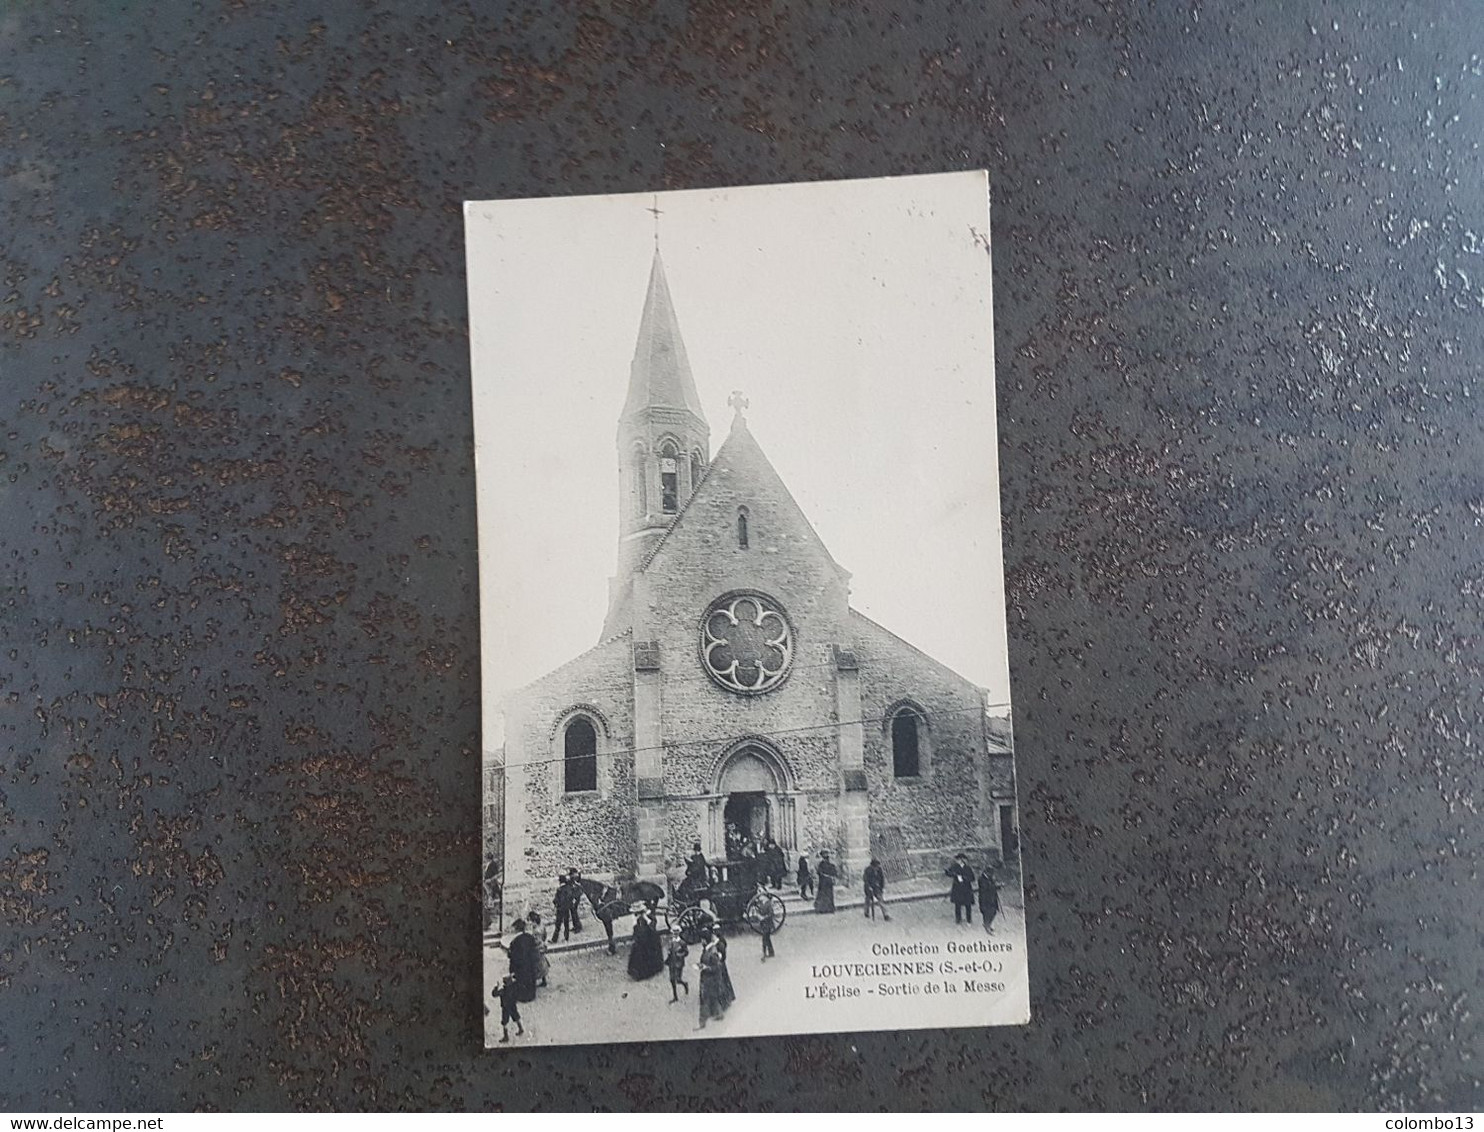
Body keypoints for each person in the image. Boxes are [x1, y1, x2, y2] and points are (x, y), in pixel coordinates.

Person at [696, 929, 729, 1029]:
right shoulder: (707, 949)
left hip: (711, 978)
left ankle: (702, 1022)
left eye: (702, 939)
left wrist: (706, 968)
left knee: (707, 997)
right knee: (713, 997)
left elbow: (717, 967)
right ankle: (719, 1014)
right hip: (709, 978)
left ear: (705, 940)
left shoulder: (712, 951)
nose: (701, 941)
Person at [507, 918, 539, 1003]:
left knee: (521, 980)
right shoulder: (530, 937)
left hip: (520, 967)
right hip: (530, 966)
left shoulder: (514, 942)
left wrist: (511, 969)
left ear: (516, 929)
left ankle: (523, 996)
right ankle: (531, 994)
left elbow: (513, 957)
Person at [627, 909, 665, 980]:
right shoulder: (638, 919)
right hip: (643, 939)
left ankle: (643, 973)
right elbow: (637, 932)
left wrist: (646, 919)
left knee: (644, 954)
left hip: (650, 939)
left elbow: (652, 926)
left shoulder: (649, 916)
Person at [493, 974, 524, 1043]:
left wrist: (496, 987)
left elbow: (494, 994)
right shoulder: (513, 987)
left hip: (506, 1007)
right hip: (512, 1005)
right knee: (516, 1017)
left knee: (504, 1022)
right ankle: (520, 1028)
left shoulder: (503, 991)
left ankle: (506, 1036)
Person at [946, 853, 976, 924]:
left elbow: (972, 878)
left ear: (962, 860)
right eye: (957, 859)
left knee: (968, 905)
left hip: (966, 888)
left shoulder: (968, 868)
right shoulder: (955, 867)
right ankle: (958, 919)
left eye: (959, 859)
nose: (957, 861)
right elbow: (948, 873)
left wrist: (963, 878)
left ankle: (969, 920)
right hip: (957, 888)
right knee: (957, 905)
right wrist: (951, 873)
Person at [527, 911, 550, 987]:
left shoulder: (536, 931)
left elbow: (535, 941)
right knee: (542, 964)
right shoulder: (542, 926)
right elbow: (545, 936)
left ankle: (533, 982)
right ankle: (544, 980)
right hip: (542, 946)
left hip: (537, 948)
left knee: (534, 965)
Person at [665, 936, 690, 1002]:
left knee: (678, 979)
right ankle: (675, 997)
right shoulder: (671, 941)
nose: (674, 934)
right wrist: (669, 952)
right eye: (673, 932)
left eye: (676, 932)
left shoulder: (682, 942)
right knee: (672, 980)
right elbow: (669, 949)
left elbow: (686, 952)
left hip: (678, 964)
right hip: (671, 963)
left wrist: (680, 955)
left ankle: (685, 984)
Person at [978, 864, 1001, 932]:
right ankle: (987, 925)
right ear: (986, 872)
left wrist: (997, 886)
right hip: (985, 898)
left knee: (994, 911)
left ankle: (988, 924)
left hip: (992, 897)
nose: (992, 875)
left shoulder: (990, 878)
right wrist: (995, 886)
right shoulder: (981, 879)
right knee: (986, 912)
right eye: (991, 873)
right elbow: (985, 888)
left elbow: (992, 886)